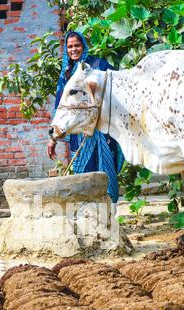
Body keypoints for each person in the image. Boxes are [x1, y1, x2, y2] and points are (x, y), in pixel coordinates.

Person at [47, 31, 124, 202]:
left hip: (102, 130)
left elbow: (116, 89)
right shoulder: (66, 74)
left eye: (77, 45)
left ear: (84, 46)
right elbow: (60, 106)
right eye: (70, 47)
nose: (73, 49)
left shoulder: (99, 66)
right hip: (78, 132)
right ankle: (88, 214)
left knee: (105, 171)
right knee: (83, 173)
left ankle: (108, 213)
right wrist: (52, 138)